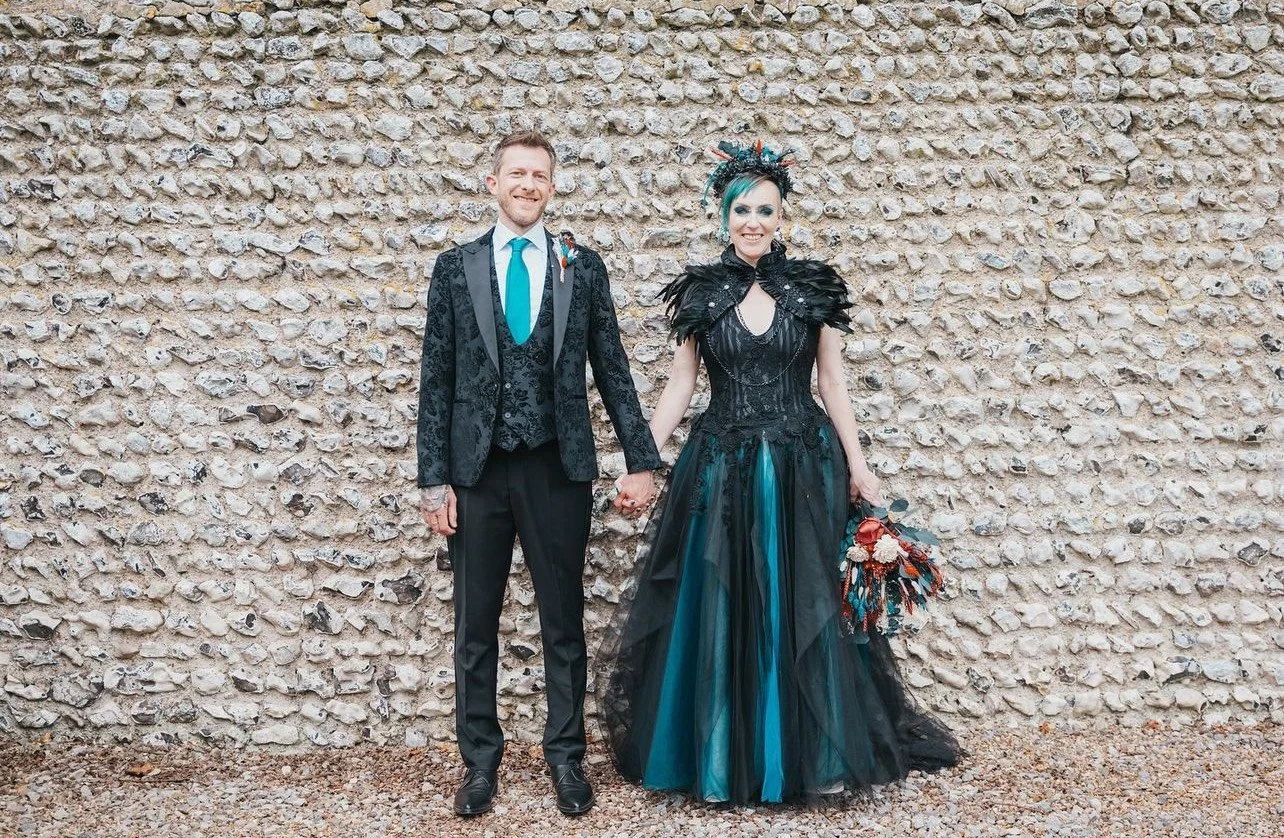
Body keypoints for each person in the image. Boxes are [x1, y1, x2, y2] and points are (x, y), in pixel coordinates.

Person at [598, 141, 960, 805]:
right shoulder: (702, 294)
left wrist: (859, 463)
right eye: (742, 209)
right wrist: (640, 460)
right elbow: (681, 386)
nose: (753, 220)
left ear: (782, 218)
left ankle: (812, 757)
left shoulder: (813, 290)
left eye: (766, 209)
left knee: (804, 600)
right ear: (724, 216)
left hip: (802, 464)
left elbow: (832, 380)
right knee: (720, 601)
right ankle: (718, 759)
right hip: (720, 468)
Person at [416, 130, 662, 817]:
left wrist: (642, 459)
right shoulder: (454, 267)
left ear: (552, 187)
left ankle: (565, 759)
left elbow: (611, 367)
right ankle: (479, 765)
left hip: (559, 468)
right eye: (516, 173)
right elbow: (436, 379)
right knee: (475, 625)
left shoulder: (581, 266)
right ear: (491, 183)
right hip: (476, 473)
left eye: (539, 175)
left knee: (563, 622)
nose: (528, 184)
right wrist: (433, 481)